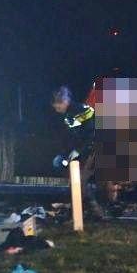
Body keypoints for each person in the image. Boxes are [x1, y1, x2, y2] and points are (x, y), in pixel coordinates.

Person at [50, 86, 106, 218]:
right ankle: (83, 211)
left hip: (94, 149)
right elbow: (71, 138)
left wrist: (78, 150)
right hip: (84, 150)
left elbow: (92, 134)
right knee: (73, 178)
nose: (56, 109)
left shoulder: (82, 110)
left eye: (57, 106)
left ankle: (95, 212)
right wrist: (67, 153)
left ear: (64, 102)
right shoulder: (67, 115)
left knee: (80, 181)